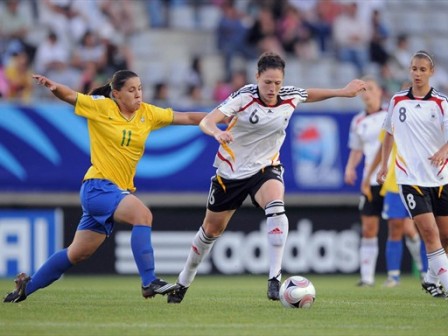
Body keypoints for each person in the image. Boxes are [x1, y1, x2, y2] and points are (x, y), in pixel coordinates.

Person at [166, 51, 366, 304]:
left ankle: (274, 278)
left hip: (266, 168)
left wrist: (342, 92)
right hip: (231, 173)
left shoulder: (289, 96)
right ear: (257, 77)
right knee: (210, 231)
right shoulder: (244, 97)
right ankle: (183, 282)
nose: (272, 88)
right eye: (267, 82)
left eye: (277, 83)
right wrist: (216, 133)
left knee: (276, 207)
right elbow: (207, 120)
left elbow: (309, 94)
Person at [3, 70, 207, 303]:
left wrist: (224, 115)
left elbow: (189, 118)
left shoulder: (147, 113)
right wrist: (53, 86)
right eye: (131, 90)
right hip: (98, 186)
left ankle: (25, 289)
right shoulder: (102, 107)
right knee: (143, 216)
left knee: (77, 253)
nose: (138, 95)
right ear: (116, 94)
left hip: (112, 192)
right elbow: (70, 96)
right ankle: (149, 281)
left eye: (140, 88)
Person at [376, 50, 448, 298]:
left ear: (431, 72)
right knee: (429, 232)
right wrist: (384, 165)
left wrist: (443, 150)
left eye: (422, 70)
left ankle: (430, 278)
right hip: (410, 179)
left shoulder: (441, 103)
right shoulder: (397, 101)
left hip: (439, 179)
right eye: (414, 69)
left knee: (445, 236)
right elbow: (389, 133)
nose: (417, 74)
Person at [363, 129, 427, 288]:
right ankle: (393, 276)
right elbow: (383, 146)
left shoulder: (430, 111)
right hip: (395, 182)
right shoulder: (395, 114)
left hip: (422, 181)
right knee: (395, 228)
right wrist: (371, 173)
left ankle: (427, 273)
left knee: (426, 228)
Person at [344, 76, 387, 287]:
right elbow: (357, 149)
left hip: (394, 179)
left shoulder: (390, 115)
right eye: (363, 90)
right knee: (369, 228)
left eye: (370, 88)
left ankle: (428, 274)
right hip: (370, 182)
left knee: (408, 228)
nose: (367, 93)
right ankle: (367, 277)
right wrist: (350, 167)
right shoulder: (358, 121)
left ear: (380, 91)